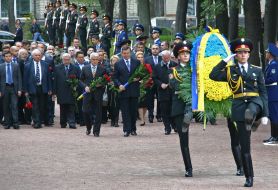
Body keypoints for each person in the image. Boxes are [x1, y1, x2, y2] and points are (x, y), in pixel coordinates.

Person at [209, 38, 269, 187]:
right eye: (240, 52)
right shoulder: (230, 70)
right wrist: (224, 61)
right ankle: (249, 177)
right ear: (235, 55)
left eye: (245, 52)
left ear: (249, 54)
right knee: (245, 146)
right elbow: (213, 75)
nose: (243, 55)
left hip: (254, 102)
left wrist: (266, 113)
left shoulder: (257, 70)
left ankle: (255, 118)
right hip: (238, 106)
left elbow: (263, 92)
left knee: (250, 111)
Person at [169, 42, 193, 177]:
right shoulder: (174, 71)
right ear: (178, 56)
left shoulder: (195, 69)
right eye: (183, 53)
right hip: (180, 107)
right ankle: (188, 168)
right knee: (183, 139)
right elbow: (174, 86)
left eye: (187, 53)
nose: (185, 55)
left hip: (193, 106)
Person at [113, 46, 140, 137]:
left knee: (133, 111)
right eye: (124, 53)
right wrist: (119, 85)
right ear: (121, 53)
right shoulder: (118, 64)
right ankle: (126, 130)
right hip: (123, 91)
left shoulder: (136, 62)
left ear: (130, 53)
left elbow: (141, 74)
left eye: (127, 53)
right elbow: (115, 77)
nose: (126, 55)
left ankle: (133, 129)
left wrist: (139, 78)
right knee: (125, 111)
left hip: (134, 90)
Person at [23, 49, 52, 129]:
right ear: (32, 56)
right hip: (33, 88)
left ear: (41, 56)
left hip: (43, 88)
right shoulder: (28, 65)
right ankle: (36, 122)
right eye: (36, 55)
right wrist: (25, 90)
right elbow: (25, 79)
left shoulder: (46, 64)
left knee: (42, 106)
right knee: (35, 106)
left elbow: (48, 78)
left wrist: (50, 89)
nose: (37, 56)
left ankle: (39, 120)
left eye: (39, 55)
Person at [80, 53, 106, 137]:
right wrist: (85, 87)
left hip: (98, 94)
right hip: (87, 94)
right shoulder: (85, 68)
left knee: (98, 113)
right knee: (85, 111)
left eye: (96, 59)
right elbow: (80, 80)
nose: (95, 61)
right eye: (93, 59)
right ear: (90, 60)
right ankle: (88, 127)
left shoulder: (102, 69)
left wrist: (101, 84)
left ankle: (96, 131)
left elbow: (105, 81)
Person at [152, 50, 177, 134]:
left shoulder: (175, 65)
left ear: (170, 56)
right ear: (162, 57)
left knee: (173, 110)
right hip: (162, 91)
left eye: (168, 57)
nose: (166, 59)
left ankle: (174, 126)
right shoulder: (157, 66)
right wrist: (160, 84)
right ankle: (167, 128)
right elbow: (154, 78)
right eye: (164, 58)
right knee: (164, 111)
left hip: (173, 92)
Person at [53, 53, 80, 129]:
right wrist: (54, 92)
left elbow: (79, 79)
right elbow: (55, 80)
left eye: (68, 59)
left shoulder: (75, 67)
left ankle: (72, 123)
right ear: (62, 60)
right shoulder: (57, 67)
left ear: (70, 59)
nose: (66, 61)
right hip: (61, 91)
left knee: (71, 107)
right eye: (65, 59)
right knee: (63, 107)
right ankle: (63, 122)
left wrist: (76, 87)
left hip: (72, 91)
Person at [0, 51, 22, 129]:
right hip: (4, 88)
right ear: (3, 57)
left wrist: (19, 89)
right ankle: (7, 123)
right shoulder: (1, 66)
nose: (8, 58)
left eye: (9, 56)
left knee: (14, 105)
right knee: (5, 106)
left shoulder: (16, 66)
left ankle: (15, 123)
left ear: (12, 57)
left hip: (14, 88)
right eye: (6, 56)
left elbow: (19, 78)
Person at [263, 43, 278, 144]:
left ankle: (275, 137)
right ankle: (274, 136)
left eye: (267, 52)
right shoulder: (270, 64)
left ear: (271, 54)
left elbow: (273, 78)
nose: (266, 54)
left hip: (273, 93)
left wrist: (262, 81)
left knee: (274, 115)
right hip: (271, 93)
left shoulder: (274, 65)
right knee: (273, 115)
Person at [145, 44, 162, 123]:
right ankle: (150, 115)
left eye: (156, 48)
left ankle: (159, 116)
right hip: (150, 82)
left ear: (159, 49)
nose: (155, 50)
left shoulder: (162, 59)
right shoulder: (147, 59)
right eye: (153, 48)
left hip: (159, 82)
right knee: (150, 99)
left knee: (160, 99)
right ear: (151, 50)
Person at [136, 51, 152, 126]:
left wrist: (145, 81)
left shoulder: (147, 65)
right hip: (137, 86)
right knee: (140, 103)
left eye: (141, 57)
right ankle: (142, 119)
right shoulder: (135, 66)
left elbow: (151, 75)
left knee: (145, 104)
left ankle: (142, 116)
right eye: (138, 57)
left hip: (146, 86)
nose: (140, 58)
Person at [108, 55, 120, 127]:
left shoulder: (120, 69)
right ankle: (112, 119)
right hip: (109, 88)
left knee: (117, 105)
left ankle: (116, 120)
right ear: (111, 62)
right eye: (113, 60)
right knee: (111, 104)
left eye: (116, 60)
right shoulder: (108, 69)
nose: (115, 62)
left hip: (117, 88)